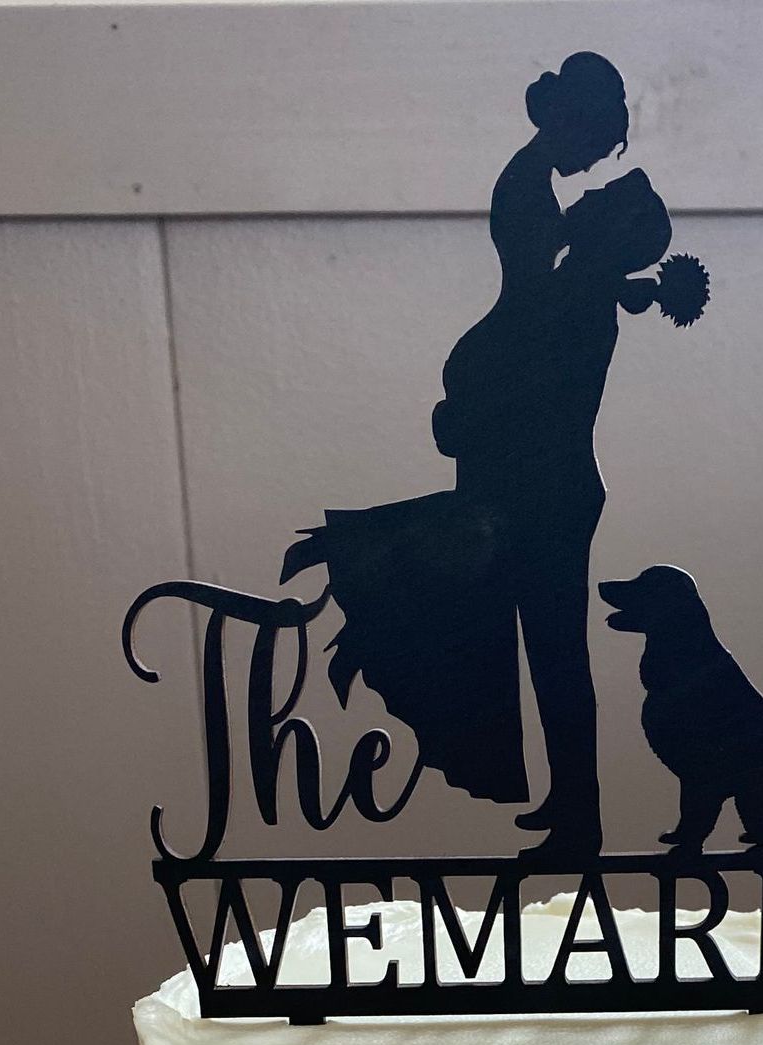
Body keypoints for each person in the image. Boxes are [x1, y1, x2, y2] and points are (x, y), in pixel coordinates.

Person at [285, 58, 705, 855]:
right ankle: (570, 804)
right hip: (528, 487)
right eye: (597, 148)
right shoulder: (550, 244)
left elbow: (533, 369)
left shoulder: (570, 291)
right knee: (531, 643)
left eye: (600, 184)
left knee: (551, 648)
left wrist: (466, 410)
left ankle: (578, 815)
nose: (592, 174)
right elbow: (528, 324)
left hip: (544, 493)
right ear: (570, 120)